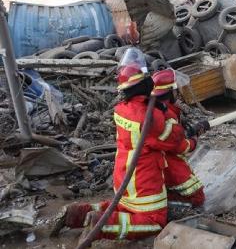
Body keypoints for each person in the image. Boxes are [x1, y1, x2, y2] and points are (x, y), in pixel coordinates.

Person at [56, 49, 197, 240]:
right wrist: (167, 113)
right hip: (144, 179)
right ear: (143, 85)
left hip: (123, 173)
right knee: (154, 222)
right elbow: (175, 140)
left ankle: (75, 214)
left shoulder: (122, 109)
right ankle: (101, 226)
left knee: (124, 206)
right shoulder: (151, 118)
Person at [151, 68, 206, 208]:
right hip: (167, 160)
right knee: (197, 197)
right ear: (169, 92)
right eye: (176, 90)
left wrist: (185, 130)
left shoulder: (162, 108)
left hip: (161, 157)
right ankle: (169, 205)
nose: (178, 93)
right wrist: (194, 139)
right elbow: (179, 147)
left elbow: (170, 137)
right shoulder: (166, 114)